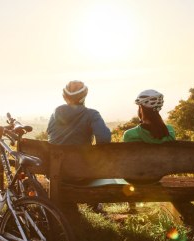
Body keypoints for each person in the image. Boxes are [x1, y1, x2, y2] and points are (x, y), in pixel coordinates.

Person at [47, 80, 111, 213]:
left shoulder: (55, 112)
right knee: (94, 164)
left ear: (65, 97)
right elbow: (104, 139)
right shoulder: (92, 114)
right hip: (82, 174)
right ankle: (93, 204)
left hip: (55, 172)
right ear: (84, 96)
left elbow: (50, 134)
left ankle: (69, 206)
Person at [123, 89, 176, 212]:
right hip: (157, 176)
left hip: (134, 178)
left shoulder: (129, 134)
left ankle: (132, 207)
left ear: (141, 108)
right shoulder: (170, 132)